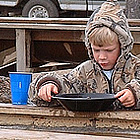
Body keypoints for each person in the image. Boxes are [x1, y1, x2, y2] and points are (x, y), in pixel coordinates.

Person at [29, 0, 140, 110]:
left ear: (122, 46)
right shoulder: (85, 71)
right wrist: (49, 85)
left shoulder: (136, 67)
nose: (102, 57)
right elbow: (67, 84)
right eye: (96, 50)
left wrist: (135, 93)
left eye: (109, 50)